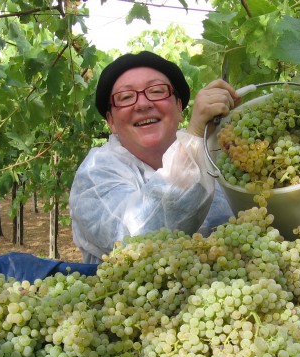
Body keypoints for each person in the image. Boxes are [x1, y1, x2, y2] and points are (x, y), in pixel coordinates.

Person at [69, 51, 240, 264]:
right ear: (111, 121)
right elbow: (139, 243)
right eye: (126, 97)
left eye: (157, 91)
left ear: (179, 107)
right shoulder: (95, 173)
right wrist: (194, 136)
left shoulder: (215, 158)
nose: (142, 104)